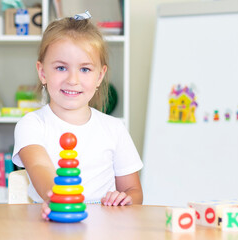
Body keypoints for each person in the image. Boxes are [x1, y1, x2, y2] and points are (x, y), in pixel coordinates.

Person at [12, 11, 143, 220]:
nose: (73, 80)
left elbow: (134, 192)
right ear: (42, 72)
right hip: (49, 222)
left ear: (100, 76)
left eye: (85, 69)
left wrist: (124, 199)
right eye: (61, 67)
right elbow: (40, 167)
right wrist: (57, 199)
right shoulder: (32, 124)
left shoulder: (114, 128)